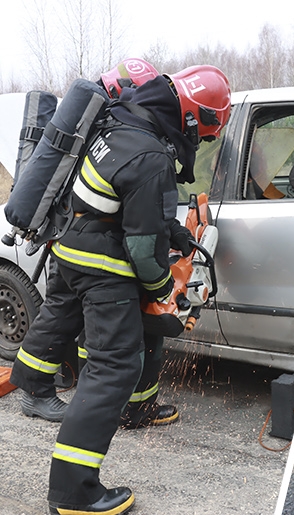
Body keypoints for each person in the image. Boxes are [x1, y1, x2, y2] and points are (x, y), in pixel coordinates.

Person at [8, 64, 229, 515]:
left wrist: (177, 234)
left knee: (67, 319)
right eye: (206, 135)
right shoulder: (152, 155)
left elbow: (129, 202)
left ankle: (34, 383)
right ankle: (73, 493)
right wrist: (166, 288)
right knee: (115, 364)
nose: (201, 144)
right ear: (195, 120)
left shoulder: (127, 124)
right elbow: (144, 250)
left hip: (73, 241)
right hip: (99, 258)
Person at [12, 58, 184, 430]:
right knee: (91, 327)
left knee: (59, 314)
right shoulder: (118, 131)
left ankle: (34, 388)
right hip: (88, 242)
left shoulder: (100, 126)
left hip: (64, 235)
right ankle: (100, 404)